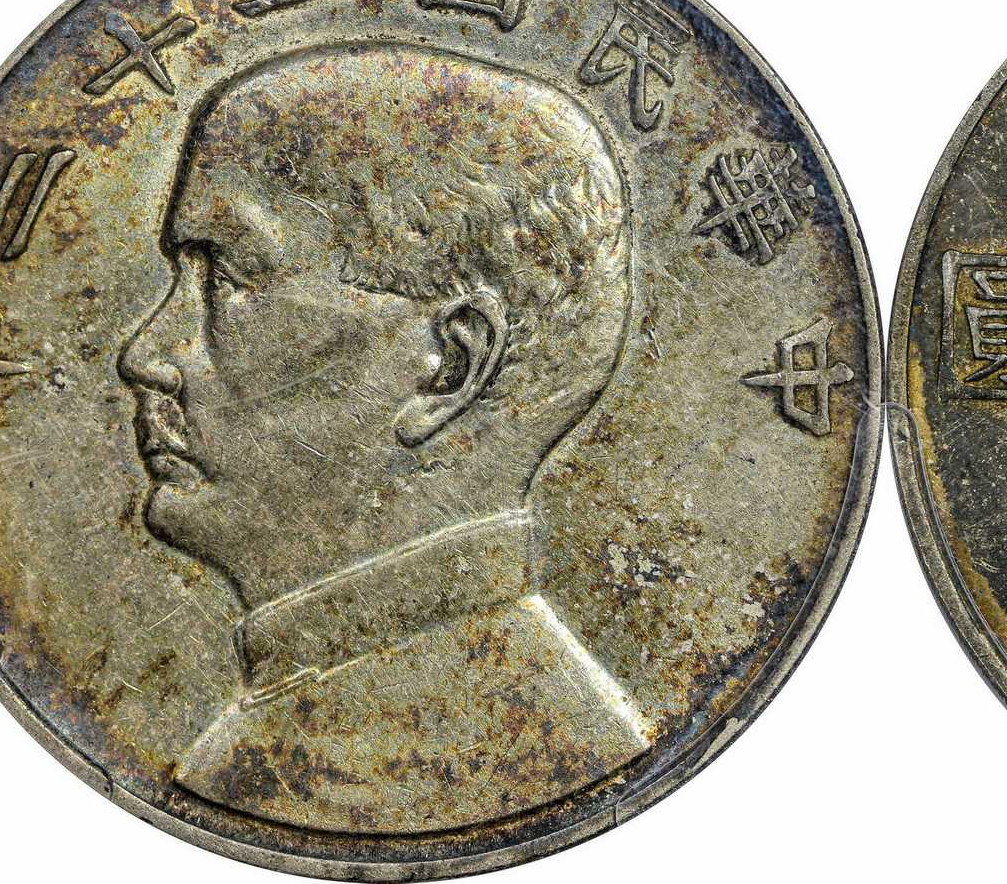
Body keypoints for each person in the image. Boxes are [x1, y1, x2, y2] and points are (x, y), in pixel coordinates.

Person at [117, 43, 650, 833]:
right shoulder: (293, 733)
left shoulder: (512, 746)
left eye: (227, 279)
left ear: (448, 369)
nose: (145, 355)